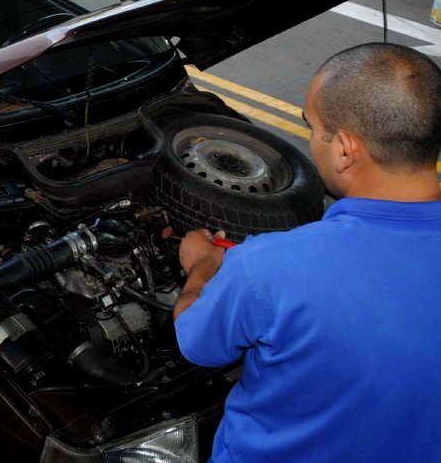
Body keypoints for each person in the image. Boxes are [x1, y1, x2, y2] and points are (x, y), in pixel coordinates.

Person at [175, 42, 441, 462]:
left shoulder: (267, 268)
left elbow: (199, 344)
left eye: (314, 127)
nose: (313, 141)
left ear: (345, 149)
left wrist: (201, 269)